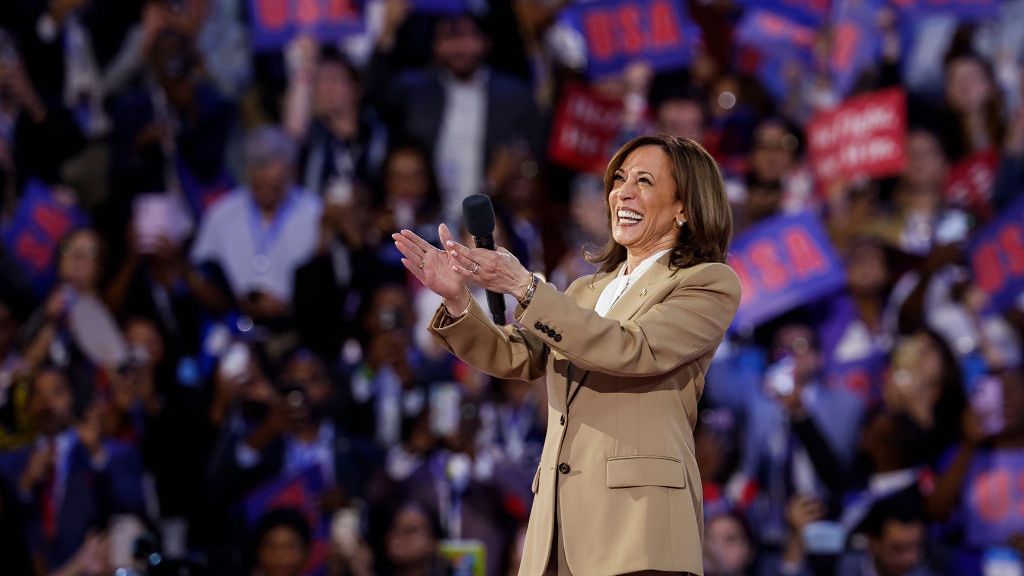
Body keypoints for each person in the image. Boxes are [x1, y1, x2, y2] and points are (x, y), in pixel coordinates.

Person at [393, 135, 740, 575]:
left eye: (644, 181)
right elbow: (518, 356)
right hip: (558, 528)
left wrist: (524, 286)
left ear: (684, 207)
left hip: (640, 526)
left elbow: (632, 349)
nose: (622, 193)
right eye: (619, 179)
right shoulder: (585, 290)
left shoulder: (706, 282)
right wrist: (459, 301)